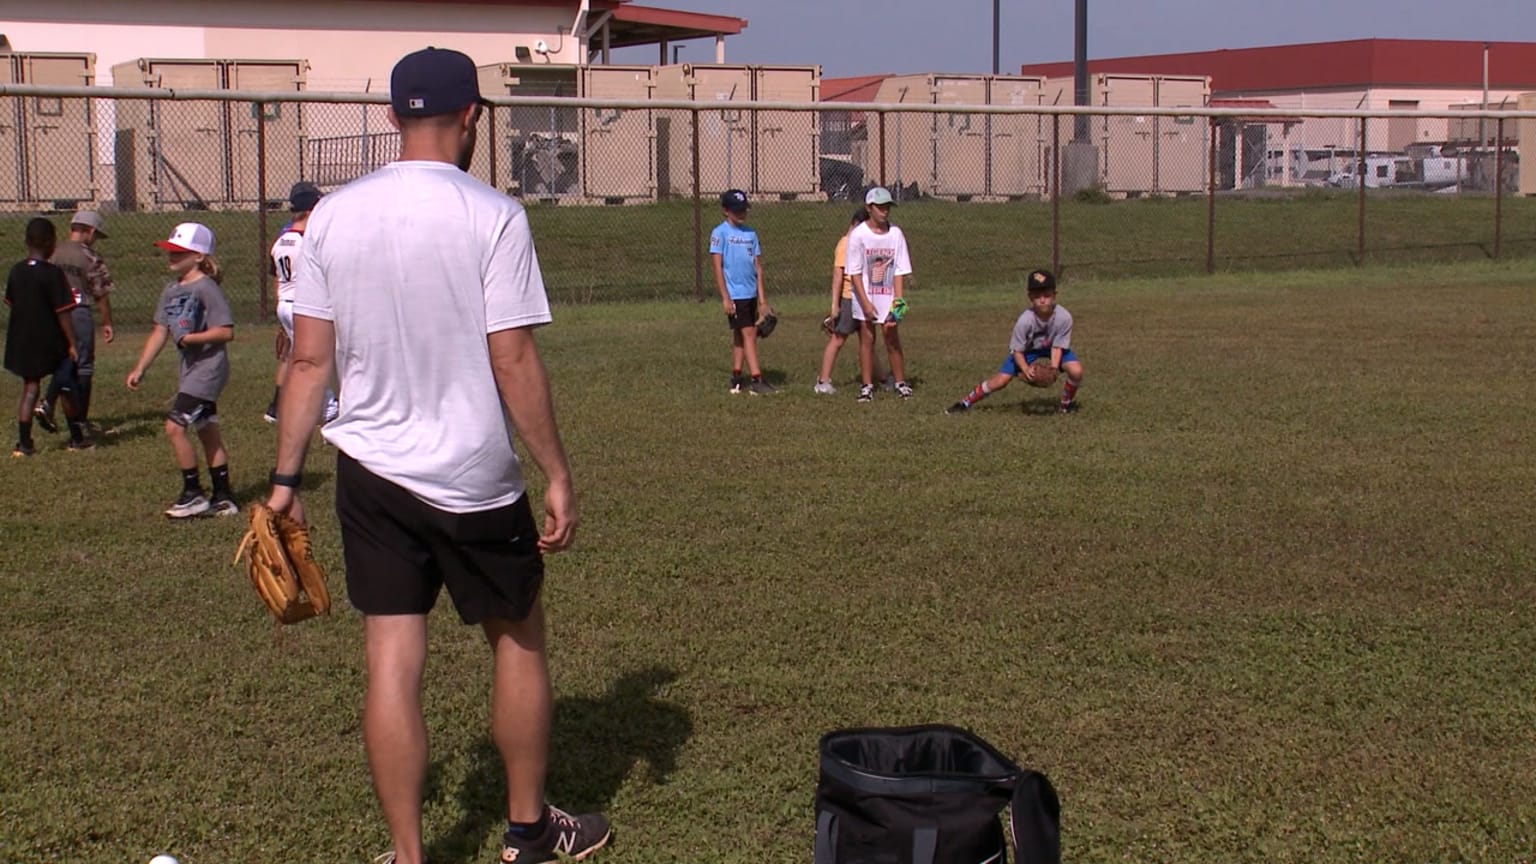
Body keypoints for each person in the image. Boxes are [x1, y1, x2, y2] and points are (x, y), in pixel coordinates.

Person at [266, 47, 609, 864]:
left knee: (390, 655)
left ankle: (410, 854)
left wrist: (283, 479)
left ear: (392, 118)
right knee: (517, 637)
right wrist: (557, 471)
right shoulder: (492, 214)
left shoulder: (331, 216)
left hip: (368, 470)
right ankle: (527, 833)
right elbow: (513, 357)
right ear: (472, 118)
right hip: (471, 474)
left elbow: (309, 362)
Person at [125, 222, 239, 518]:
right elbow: (160, 331)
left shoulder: (206, 288)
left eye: (179, 252)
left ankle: (193, 494)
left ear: (199, 256)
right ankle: (223, 497)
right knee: (207, 431)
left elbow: (225, 331)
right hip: (190, 371)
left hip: (208, 370)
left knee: (174, 427)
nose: (171, 256)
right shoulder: (171, 290)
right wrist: (140, 368)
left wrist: (192, 339)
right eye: (170, 251)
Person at [945, 268, 1084, 415]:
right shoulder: (1025, 320)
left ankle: (1065, 405)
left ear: (1055, 295)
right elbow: (1017, 350)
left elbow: (1057, 346)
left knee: (1076, 371)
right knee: (1000, 381)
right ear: (1030, 297)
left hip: (1052, 348)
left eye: (1047, 295)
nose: (1042, 299)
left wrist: (1054, 369)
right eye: (1037, 296)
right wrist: (1025, 369)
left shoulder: (1064, 317)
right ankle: (965, 402)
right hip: (1026, 351)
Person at [264, 181, 339, 426]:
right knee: (318, 357)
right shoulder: (308, 242)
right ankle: (329, 408)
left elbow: (277, 278)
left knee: (303, 357)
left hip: (285, 303)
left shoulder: (280, 242)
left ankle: (312, 406)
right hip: (304, 305)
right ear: (311, 209)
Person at [35, 209, 114, 441]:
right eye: (96, 235)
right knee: (84, 366)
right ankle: (79, 419)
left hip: (52, 314)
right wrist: (107, 322)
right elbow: (101, 293)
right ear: (89, 231)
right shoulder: (90, 257)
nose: (95, 239)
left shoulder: (53, 253)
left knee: (64, 363)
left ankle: (49, 403)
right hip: (78, 313)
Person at [5, 218, 80, 457]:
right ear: (50, 243)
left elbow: (12, 303)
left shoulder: (16, 271)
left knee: (30, 387)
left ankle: (24, 444)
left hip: (22, 340)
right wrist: (71, 343)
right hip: (51, 341)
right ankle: (77, 439)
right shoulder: (53, 274)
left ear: (27, 242)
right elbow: (63, 313)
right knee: (66, 383)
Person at [845, 186, 914, 402]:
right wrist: (865, 303)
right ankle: (867, 386)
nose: (884, 211)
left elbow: (900, 270)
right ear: (869, 208)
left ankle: (900, 382)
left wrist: (898, 302)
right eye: (880, 207)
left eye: (887, 207)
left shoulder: (896, 234)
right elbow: (854, 272)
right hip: (865, 296)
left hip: (888, 296)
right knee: (867, 338)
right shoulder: (858, 235)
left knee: (891, 336)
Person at [710, 188, 775, 395]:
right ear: (725, 211)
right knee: (749, 333)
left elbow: (758, 268)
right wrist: (725, 298)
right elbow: (717, 267)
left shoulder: (750, 234)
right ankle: (757, 380)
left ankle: (736, 378)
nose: (741, 213)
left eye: (743, 209)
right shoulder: (719, 233)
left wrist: (762, 300)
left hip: (750, 293)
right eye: (736, 210)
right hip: (735, 294)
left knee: (741, 335)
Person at [813, 208, 881, 395]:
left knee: (868, 339)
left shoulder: (860, 243)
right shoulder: (846, 244)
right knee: (838, 338)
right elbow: (838, 276)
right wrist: (835, 305)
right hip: (850, 298)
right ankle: (823, 380)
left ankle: (881, 377)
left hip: (864, 297)